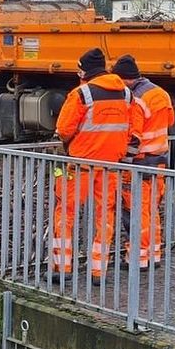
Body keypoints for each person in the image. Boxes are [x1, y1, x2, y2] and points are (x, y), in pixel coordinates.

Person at [52, 48, 134, 284]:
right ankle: (98, 271)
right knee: (105, 216)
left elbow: (64, 129)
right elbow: (129, 127)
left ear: (85, 71)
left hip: (80, 165)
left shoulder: (81, 94)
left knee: (65, 213)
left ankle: (62, 268)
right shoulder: (126, 93)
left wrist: (69, 143)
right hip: (110, 166)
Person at [115, 54, 175, 270]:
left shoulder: (136, 100)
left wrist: (124, 161)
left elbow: (134, 136)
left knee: (134, 213)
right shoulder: (161, 93)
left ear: (124, 79)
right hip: (159, 161)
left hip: (139, 163)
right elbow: (170, 121)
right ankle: (153, 255)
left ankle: (137, 259)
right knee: (151, 211)